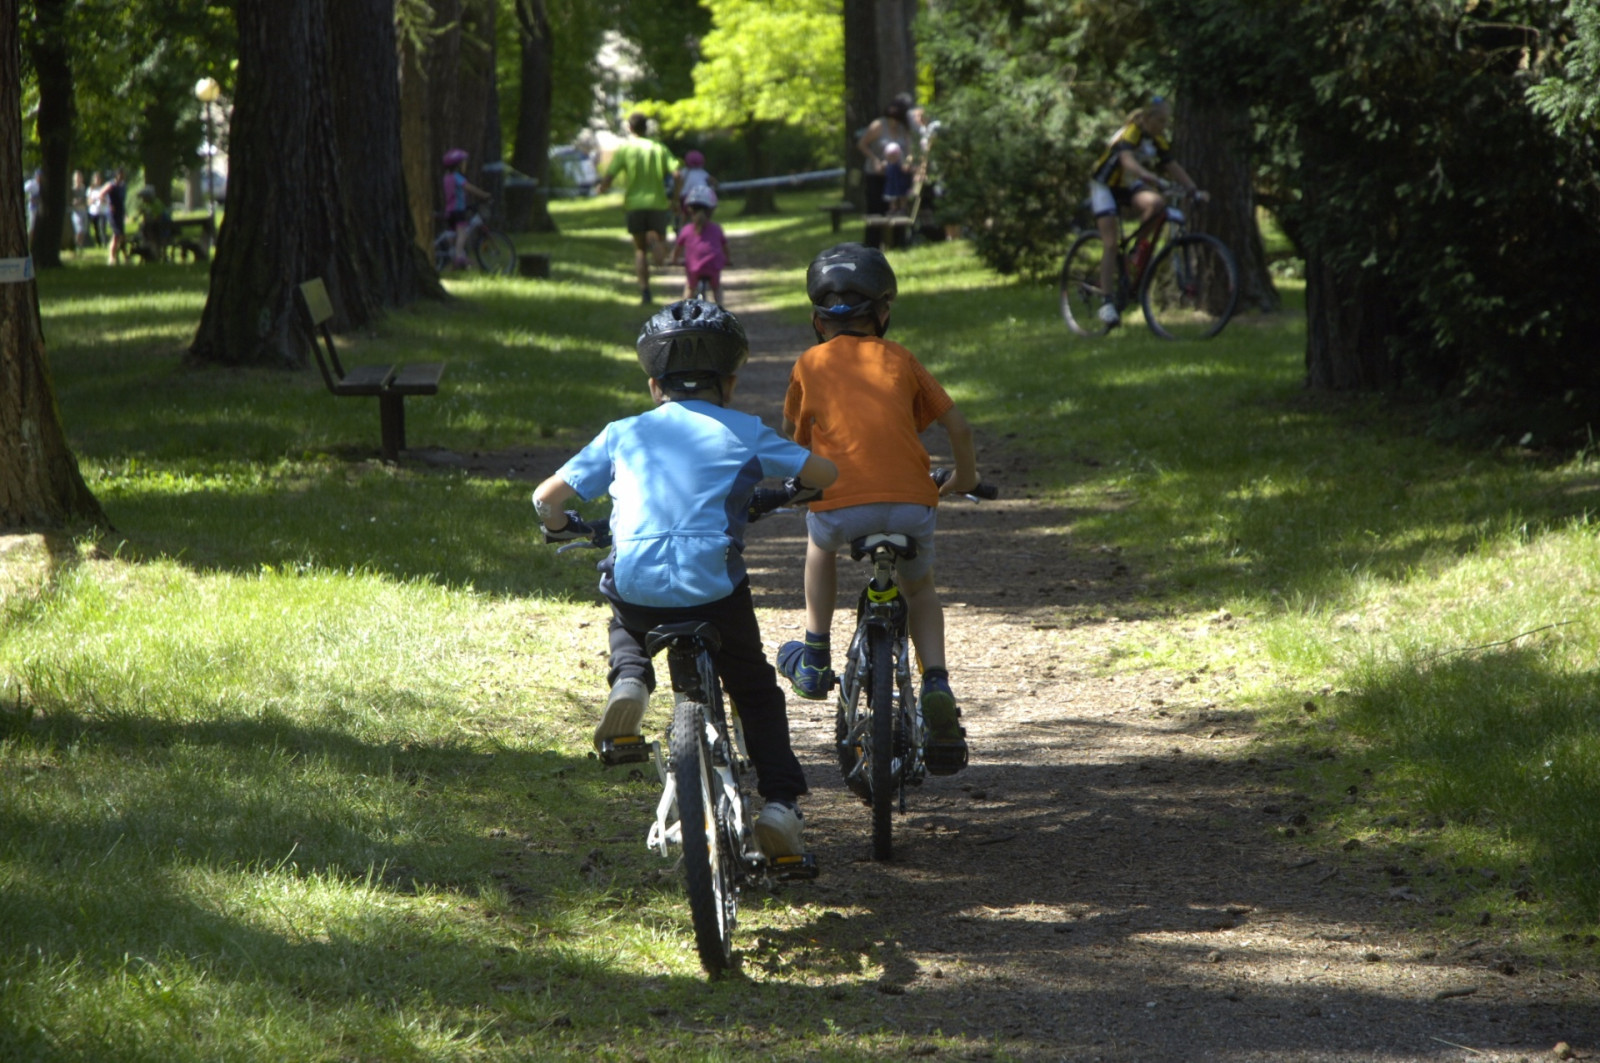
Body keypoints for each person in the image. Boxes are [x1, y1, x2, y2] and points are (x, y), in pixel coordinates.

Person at [532, 300, 838, 858]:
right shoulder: (744, 430)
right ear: (731, 383)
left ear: (654, 385)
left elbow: (546, 496)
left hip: (638, 581)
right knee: (755, 690)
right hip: (713, 586)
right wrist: (794, 487)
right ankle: (780, 805)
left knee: (625, 613)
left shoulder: (623, 432)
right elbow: (824, 472)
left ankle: (630, 679)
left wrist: (559, 525)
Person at [777, 243, 980, 776]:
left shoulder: (807, 364)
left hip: (842, 508)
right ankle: (936, 681)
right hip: (912, 504)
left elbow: (795, 441)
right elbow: (957, 426)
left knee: (818, 543)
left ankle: (814, 653)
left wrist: (800, 486)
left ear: (817, 320)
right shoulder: (901, 358)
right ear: (884, 313)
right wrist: (965, 479)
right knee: (920, 590)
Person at [1086, 96, 1208, 328]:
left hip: (1127, 185)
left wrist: (1194, 190)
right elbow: (1126, 160)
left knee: (1157, 204)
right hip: (1105, 185)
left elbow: (1172, 165)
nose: (1163, 126)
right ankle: (1107, 303)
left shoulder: (1157, 140)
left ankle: (1135, 251)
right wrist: (1147, 176)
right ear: (1147, 118)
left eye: (1166, 122)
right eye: (1160, 121)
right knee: (1110, 243)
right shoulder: (1130, 133)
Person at [597, 113, 679, 305]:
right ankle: (655, 243)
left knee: (639, 250)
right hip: (658, 203)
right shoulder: (658, 148)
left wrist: (602, 188)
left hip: (634, 205)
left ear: (630, 128)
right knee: (661, 244)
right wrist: (675, 199)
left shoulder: (626, 149)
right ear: (646, 127)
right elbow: (677, 175)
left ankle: (645, 292)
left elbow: (609, 175)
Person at [855, 93, 920, 246]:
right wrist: (875, 160)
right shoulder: (878, 125)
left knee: (897, 207)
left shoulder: (903, 129)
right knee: (876, 208)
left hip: (897, 175)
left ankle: (898, 242)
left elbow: (909, 150)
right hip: (876, 174)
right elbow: (862, 144)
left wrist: (908, 162)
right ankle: (873, 244)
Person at [669, 185, 731, 305]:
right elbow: (725, 247)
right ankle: (721, 310)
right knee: (717, 288)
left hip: (694, 267)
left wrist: (674, 260)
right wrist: (727, 260)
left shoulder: (686, 230)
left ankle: (685, 311)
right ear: (711, 211)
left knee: (690, 287)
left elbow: (677, 249)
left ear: (690, 210)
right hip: (713, 266)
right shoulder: (716, 229)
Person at [441, 148, 490, 269]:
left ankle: (453, 259)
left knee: (453, 235)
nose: (465, 165)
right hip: (458, 210)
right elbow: (469, 188)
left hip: (449, 210)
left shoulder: (446, 178)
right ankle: (459, 257)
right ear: (458, 165)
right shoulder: (457, 177)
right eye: (463, 163)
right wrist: (483, 194)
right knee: (462, 233)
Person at [672, 149, 717, 233]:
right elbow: (713, 181)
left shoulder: (684, 171)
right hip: (702, 195)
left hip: (686, 196)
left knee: (684, 215)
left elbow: (678, 179)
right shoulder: (703, 172)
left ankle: (681, 231)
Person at [99, 169, 129, 265]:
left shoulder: (123, 186)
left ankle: (124, 257)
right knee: (116, 234)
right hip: (113, 213)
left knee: (121, 235)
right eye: (120, 174)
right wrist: (109, 204)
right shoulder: (111, 185)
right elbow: (101, 194)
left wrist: (125, 213)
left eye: (123, 175)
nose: (121, 176)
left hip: (120, 212)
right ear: (116, 175)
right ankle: (112, 257)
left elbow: (122, 201)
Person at [881, 142, 911, 215]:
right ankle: (893, 209)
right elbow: (881, 169)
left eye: (894, 155)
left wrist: (906, 165)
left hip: (900, 182)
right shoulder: (887, 163)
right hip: (891, 183)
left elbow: (906, 169)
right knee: (892, 197)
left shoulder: (900, 163)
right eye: (890, 155)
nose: (892, 157)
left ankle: (903, 209)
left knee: (902, 196)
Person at [70, 171, 90, 255]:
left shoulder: (83, 188)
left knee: (83, 231)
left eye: (80, 177)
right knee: (79, 230)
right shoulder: (72, 189)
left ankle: (80, 246)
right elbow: (72, 202)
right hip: (76, 212)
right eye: (77, 177)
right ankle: (76, 246)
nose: (78, 179)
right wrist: (77, 202)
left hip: (83, 211)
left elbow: (86, 200)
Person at [86, 171, 107, 246]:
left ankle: (104, 242)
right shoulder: (90, 189)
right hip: (93, 212)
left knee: (102, 227)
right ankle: (98, 243)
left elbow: (107, 200)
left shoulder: (103, 188)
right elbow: (88, 202)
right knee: (96, 229)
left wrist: (103, 199)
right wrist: (93, 200)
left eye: (98, 178)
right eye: (96, 179)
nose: (97, 180)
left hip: (102, 211)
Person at [23, 168, 41, 248]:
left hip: (40, 209)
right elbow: (24, 191)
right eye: (38, 176)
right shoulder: (31, 184)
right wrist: (28, 198)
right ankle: (29, 244)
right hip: (33, 208)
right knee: (32, 227)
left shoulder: (43, 184)